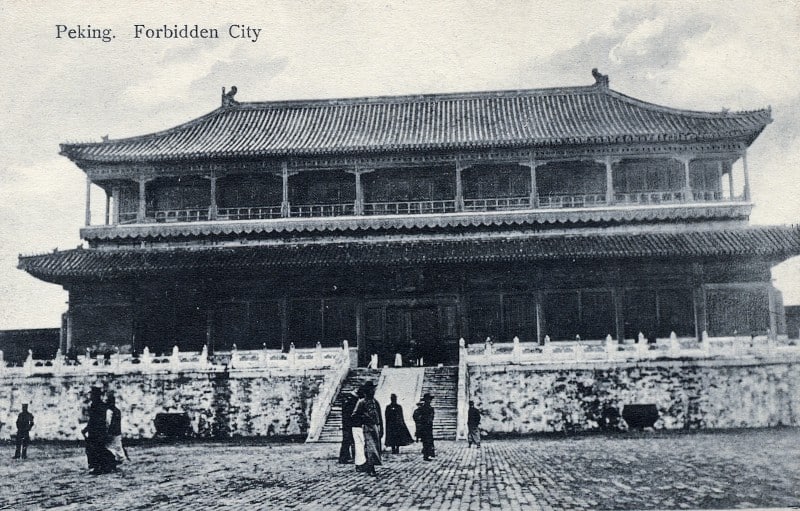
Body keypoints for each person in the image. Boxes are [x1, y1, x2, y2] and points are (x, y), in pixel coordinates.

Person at [351, 381, 383, 476]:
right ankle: (370, 468)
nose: (372, 392)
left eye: (373, 390)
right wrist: (364, 417)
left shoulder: (375, 402)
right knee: (369, 447)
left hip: (375, 426)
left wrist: (381, 428)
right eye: (371, 390)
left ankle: (370, 466)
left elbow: (380, 416)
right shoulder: (361, 402)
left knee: (375, 447)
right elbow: (354, 415)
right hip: (366, 427)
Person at [81, 387, 115, 474]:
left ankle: (100, 466)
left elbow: (94, 420)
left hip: (97, 431)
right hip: (97, 431)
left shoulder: (97, 406)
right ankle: (104, 465)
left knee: (95, 449)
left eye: (92, 394)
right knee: (97, 449)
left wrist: (87, 429)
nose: (90, 396)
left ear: (96, 395)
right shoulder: (100, 405)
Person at [104, 395, 128, 468]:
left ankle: (113, 461)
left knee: (109, 448)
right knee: (118, 448)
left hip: (111, 433)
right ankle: (122, 460)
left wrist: (105, 432)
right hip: (117, 433)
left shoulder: (109, 411)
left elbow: (107, 423)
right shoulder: (117, 410)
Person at [413, 393, 435, 461]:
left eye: (430, 400)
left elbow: (432, 417)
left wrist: (430, 420)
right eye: (428, 399)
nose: (429, 401)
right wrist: (420, 421)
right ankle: (426, 456)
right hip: (424, 427)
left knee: (429, 441)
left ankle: (428, 454)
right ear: (425, 400)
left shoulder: (431, 408)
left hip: (429, 427)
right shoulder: (421, 408)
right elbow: (415, 416)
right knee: (426, 441)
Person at [338, 390, 358, 464]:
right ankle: (344, 458)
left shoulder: (346, 401)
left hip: (346, 424)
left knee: (347, 441)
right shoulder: (351, 403)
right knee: (348, 441)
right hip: (349, 424)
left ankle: (346, 456)